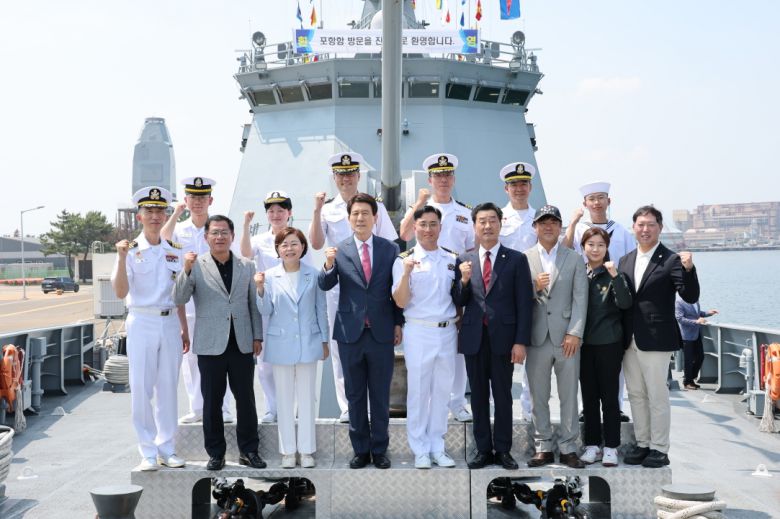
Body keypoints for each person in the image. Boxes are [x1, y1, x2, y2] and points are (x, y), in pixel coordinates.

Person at [309, 152, 398, 423]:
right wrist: (316, 210)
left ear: (358, 176)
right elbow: (315, 243)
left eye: (350, 173)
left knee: (376, 351)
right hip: (341, 287)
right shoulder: (328, 209)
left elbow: (389, 246)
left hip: (373, 288)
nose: (346, 178)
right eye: (340, 174)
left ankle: (373, 408)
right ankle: (348, 406)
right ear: (334, 177)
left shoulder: (375, 207)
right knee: (342, 350)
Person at [173, 215, 266, 471]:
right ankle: (216, 453)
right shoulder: (197, 265)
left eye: (224, 232)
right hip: (210, 344)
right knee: (211, 402)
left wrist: (257, 335)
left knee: (245, 400)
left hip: (242, 342)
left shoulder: (247, 265)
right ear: (206, 237)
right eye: (214, 233)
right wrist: (186, 270)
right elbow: (179, 296)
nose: (219, 237)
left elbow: (253, 304)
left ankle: (249, 450)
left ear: (232, 236)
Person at [318, 193, 403, 469]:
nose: (360, 218)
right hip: (349, 333)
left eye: (366, 213)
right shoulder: (339, 249)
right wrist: (328, 265)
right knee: (355, 395)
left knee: (379, 394)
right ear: (348, 217)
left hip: (381, 332)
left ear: (375, 218)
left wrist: (398, 322)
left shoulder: (390, 249)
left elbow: (395, 290)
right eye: (355, 213)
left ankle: (379, 449)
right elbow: (325, 284)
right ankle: (360, 450)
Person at [452, 202, 534, 470]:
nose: (487, 226)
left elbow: (524, 303)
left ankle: (503, 449)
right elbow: (458, 299)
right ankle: (482, 449)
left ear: (500, 224)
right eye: (482, 221)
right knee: (477, 396)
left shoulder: (516, 259)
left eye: (492, 221)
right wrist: (463, 281)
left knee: (502, 395)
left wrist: (520, 341)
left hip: (504, 339)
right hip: (474, 337)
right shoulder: (464, 259)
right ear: (475, 226)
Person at [111, 186, 188, 471]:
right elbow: (120, 292)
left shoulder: (174, 251)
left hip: (169, 321)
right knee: (142, 387)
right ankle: (147, 451)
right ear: (139, 217)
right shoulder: (129, 251)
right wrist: (120, 259)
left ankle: (167, 448)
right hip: (141, 320)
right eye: (150, 211)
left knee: (168, 387)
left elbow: (178, 293)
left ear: (167, 214)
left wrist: (184, 328)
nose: (155, 216)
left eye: (160, 211)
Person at [618, 205, 700, 468]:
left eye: (650, 224)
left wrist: (689, 270)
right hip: (630, 339)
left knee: (657, 394)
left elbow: (690, 296)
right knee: (636, 394)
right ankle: (643, 443)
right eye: (640, 224)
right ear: (634, 227)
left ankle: (659, 448)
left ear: (660, 228)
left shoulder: (671, 260)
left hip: (656, 337)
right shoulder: (626, 260)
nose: (645, 229)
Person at [399, 153, 475, 423]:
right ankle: (431, 407)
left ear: (453, 178)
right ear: (430, 179)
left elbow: (471, 251)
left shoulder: (466, 213)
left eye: (447, 175)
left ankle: (456, 402)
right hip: (426, 281)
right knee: (430, 353)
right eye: (438, 176)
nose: (443, 180)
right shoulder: (422, 209)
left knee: (457, 347)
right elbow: (404, 234)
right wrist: (419, 203)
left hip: (456, 280)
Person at [161, 177, 235, 425]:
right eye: (193, 197)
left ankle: (223, 409)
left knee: (220, 356)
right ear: (186, 200)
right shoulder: (179, 230)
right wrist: (176, 214)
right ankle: (197, 407)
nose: (198, 202)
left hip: (215, 301)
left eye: (203, 198)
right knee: (190, 357)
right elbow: (162, 240)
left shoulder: (216, 227)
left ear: (210, 200)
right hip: (188, 303)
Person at [255, 227, 329, 468]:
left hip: (309, 341)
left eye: (294, 243)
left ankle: (307, 451)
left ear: (303, 247)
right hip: (281, 343)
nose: (289, 248)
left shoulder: (313, 274)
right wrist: (260, 290)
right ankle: (288, 452)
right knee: (284, 400)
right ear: (277, 249)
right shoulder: (270, 276)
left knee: (307, 399)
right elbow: (265, 311)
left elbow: (321, 309)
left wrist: (325, 340)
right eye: (284, 244)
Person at [563, 181, 635, 423]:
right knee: (588, 367)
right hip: (587, 296)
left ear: (608, 201)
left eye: (601, 197)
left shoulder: (622, 232)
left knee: (616, 362)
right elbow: (565, 252)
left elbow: (630, 265)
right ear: (585, 203)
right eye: (592, 198)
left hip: (615, 296)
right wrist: (572, 222)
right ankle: (587, 407)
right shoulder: (580, 230)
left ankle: (618, 404)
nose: (596, 202)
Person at [392, 206, 458, 469]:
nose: (428, 230)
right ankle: (419, 448)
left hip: (447, 330)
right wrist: (407, 273)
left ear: (440, 228)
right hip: (419, 329)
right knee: (419, 391)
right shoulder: (403, 260)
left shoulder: (452, 259)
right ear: (415, 228)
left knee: (442, 391)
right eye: (423, 225)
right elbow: (399, 300)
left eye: (433, 224)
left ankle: (437, 446)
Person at [523, 205, 588, 469]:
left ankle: (569, 447)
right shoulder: (523, 258)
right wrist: (533, 286)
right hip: (537, 337)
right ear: (535, 227)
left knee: (569, 394)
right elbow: (518, 299)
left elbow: (580, 298)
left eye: (553, 222)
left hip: (566, 339)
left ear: (560, 227)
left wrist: (575, 332)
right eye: (543, 222)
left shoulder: (573, 258)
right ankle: (543, 446)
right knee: (538, 394)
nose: (548, 227)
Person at [241, 190, 313, 424]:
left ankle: (300, 407)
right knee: (266, 363)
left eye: (280, 210)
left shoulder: (297, 239)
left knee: (297, 360)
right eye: (271, 211)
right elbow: (244, 253)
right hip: (266, 307)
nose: (275, 214)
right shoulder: (260, 240)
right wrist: (245, 225)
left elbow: (308, 274)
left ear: (289, 213)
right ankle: (273, 407)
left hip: (292, 306)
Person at [578, 227, 633, 467]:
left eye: (600, 245)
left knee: (610, 399)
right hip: (584, 346)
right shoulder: (579, 273)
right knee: (589, 399)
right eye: (591, 244)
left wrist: (616, 277)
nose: (595, 249)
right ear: (583, 247)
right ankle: (592, 446)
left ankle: (611, 447)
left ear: (607, 247)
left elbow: (625, 302)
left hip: (609, 344)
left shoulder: (613, 273)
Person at [497, 161, 538, 420]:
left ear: (530, 187)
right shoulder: (497, 219)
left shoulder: (540, 219)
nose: (519, 188)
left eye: (523, 183)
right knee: (499, 360)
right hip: (503, 296)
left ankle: (529, 414)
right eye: (514, 184)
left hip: (536, 294)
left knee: (532, 361)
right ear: (506, 188)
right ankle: (498, 415)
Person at [675, 295, 718, 390]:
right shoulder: (679, 302)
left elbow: (697, 313)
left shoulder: (694, 299)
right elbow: (680, 319)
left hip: (697, 334)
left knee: (700, 356)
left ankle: (690, 378)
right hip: (686, 335)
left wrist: (708, 313)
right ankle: (687, 381)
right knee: (688, 360)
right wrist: (696, 322)